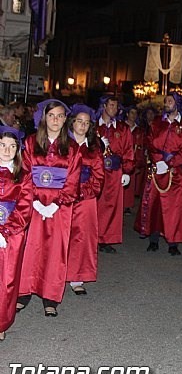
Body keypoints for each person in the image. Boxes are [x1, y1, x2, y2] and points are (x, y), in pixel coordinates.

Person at [18, 99, 82, 317]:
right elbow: (24, 173)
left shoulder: (72, 148)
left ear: (65, 120)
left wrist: (56, 203)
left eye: (60, 116)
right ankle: (24, 291)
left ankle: (50, 296)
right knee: (30, 247)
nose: (55, 120)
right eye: (52, 115)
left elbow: (73, 181)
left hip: (60, 207)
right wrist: (34, 200)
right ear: (44, 117)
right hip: (33, 203)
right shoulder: (29, 142)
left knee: (56, 250)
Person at [134, 93, 182, 256]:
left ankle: (172, 242)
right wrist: (158, 160)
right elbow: (150, 142)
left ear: (177, 104)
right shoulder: (156, 123)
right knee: (155, 204)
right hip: (156, 170)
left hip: (176, 173)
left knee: (174, 208)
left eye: (170, 101)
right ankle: (153, 239)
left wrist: (170, 163)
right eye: (166, 101)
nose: (166, 103)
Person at [66, 104, 105, 295]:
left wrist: (82, 192)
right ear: (72, 123)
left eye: (86, 123)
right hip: (63, 199)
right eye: (79, 121)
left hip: (85, 199)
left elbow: (98, 178)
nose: (82, 126)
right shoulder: (62, 146)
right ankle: (56, 274)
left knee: (83, 238)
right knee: (61, 237)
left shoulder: (94, 150)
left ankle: (77, 277)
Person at [0, 126, 32, 340]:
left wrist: (5, 231)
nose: (7, 150)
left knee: (7, 280)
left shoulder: (23, 177)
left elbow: (24, 208)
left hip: (12, 234)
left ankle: (1, 322)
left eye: (12, 146)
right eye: (2, 145)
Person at [95, 95, 134, 253]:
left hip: (115, 171)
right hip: (97, 170)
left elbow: (128, 150)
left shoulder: (122, 128)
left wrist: (127, 170)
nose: (114, 109)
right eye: (111, 105)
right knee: (95, 204)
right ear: (104, 106)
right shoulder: (94, 127)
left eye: (116, 106)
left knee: (111, 206)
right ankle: (92, 236)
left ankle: (106, 238)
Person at [122, 106, 145, 214]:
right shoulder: (121, 127)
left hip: (133, 158)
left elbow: (141, 146)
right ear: (127, 114)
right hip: (122, 159)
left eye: (135, 113)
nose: (133, 115)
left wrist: (139, 161)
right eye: (131, 112)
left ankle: (127, 205)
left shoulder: (139, 130)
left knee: (130, 183)